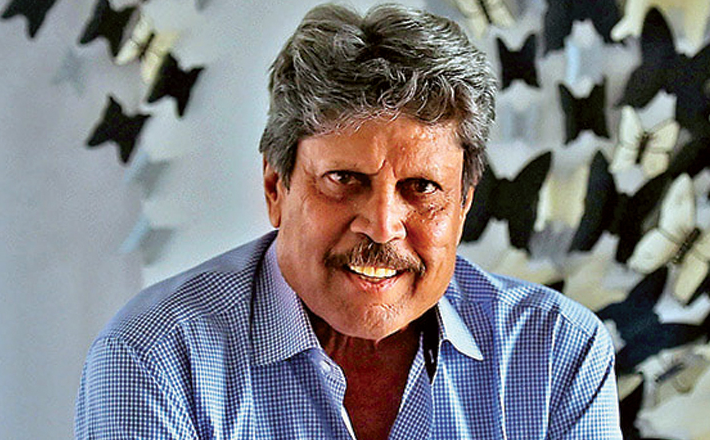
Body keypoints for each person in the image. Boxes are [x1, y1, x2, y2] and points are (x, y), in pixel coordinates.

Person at [75, 3, 622, 439]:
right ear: (276, 187)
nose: (382, 227)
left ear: (463, 204)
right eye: (343, 180)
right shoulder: (155, 358)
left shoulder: (556, 353)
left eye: (422, 188)